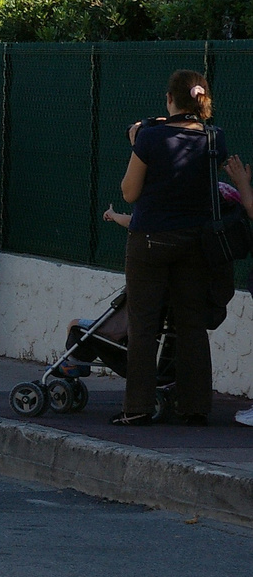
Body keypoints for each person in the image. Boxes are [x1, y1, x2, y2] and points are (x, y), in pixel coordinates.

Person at [116, 70, 226, 426]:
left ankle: (138, 408)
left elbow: (130, 193)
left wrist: (138, 141)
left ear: (169, 99)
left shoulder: (149, 137)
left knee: (144, 326)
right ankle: (195, 407)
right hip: (196, 240)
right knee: (191, 326)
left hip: (150, 238)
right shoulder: (214, 138)